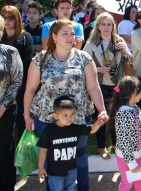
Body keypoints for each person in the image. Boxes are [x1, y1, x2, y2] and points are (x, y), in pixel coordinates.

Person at [24, 19, 108, 191]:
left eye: (72, 34)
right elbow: (31, 89)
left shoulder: (84, 58)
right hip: (47, 118)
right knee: (52, 158)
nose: (70, 37)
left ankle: (82, 188)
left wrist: (102, 110)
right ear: (54, 36)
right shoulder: (40, 59)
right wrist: (26, 115)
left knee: (79, 155)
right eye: (65, 33)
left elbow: (93, 87)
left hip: (77, 118)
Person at [83, 13, 133, 159]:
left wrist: (124, 50)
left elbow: (130, 60)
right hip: (99, 85)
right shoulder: (91, 43)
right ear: (98, 26)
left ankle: (116, 144)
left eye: (109, 24)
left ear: (113, 26)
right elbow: (83, 65)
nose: (106, 27)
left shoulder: (118, 40)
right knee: (102, 116)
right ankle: (101, 147)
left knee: (116, 115)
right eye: (103, 24)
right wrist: (98, 69)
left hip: (117, 84)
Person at [37, 96, 102, 191]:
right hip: (55, 173)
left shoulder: (75, 128)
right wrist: (41, 167)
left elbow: (91, 130)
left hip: (72, 170)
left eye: (72, 114)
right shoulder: (49, 131)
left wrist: (99, 122)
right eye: (65, 115)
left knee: (70, 188)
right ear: (55, 116)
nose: (70, 118)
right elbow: (43, 150)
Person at [108, 76, 141, 191]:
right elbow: (123, 141)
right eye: (140, 91)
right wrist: (131, 163)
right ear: (134, 93)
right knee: (127, 183)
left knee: (140, 181)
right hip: (127, 158)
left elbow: (136, 125)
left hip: (139, 153)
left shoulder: (135, 108)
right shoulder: (124, 115)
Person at [0, 5, 34, 138]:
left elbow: (28, 59)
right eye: (4, 17)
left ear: (17, 19)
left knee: (20, 115)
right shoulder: (1, 38)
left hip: (20, 82)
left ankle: (21, 143)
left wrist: (15, 74)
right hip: (2, 85)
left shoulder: (25, 36)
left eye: (10, 18)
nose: (7, 21)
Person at [0, 15, 23, 191]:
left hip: (5, 110)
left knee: (4, 151)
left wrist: (3, 105)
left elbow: (17, 80)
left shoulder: (10, 52)